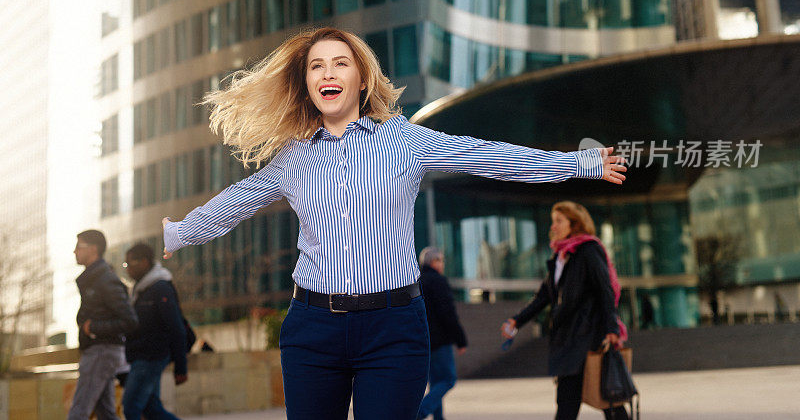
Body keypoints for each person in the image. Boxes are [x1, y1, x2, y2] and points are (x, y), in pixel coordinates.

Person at [160, 27, 627, 420]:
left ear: (362, 80)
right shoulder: (293, 157)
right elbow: (239, 200)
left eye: (341, 63)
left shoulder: (405, 140)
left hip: (393, 328)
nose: (328, 73)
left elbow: (486, 156)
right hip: (312, 330)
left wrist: (576, 164)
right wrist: (181, 232)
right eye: (316, 66)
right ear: (306, 84)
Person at [501, 202, 629, 420]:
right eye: (553, 221)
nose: (553, 226)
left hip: (589, 338)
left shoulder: (589, 249)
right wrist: (517, 320)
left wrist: (611, 328)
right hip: (568, 339)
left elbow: (605, 290)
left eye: (559, 221)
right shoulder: (560, 257)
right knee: (569, 403)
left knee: (609, 397)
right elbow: (543, 296)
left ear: (574, 223)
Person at [69, 230, 138, 420]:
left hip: (101, 351)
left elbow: (130, 320)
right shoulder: (95, 279)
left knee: (79, 411)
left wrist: (93, 328)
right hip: (99, 350)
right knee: (105, 413)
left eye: (78, 247)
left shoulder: (105, 280)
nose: (74, 251)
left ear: (93, 249)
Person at [121, 243, 187, 420]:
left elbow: (176, 326)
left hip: (151, 357)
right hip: (141, 356)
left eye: (129, 264)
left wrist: (181, 367)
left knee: (131, 407)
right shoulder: (141, 289)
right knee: (152, 410)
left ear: (144, 262)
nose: (127, 270)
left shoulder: (160, 288)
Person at [417, 247, 467, 420]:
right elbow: (448, 313)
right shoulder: (438, 281)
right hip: (440, 340)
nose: (442, 264)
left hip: (425, 340)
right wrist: (460, 340)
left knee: (436, 383)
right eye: (441, 260)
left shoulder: (418, 281)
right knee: (448, 379)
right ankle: (418, 413)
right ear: (434, 262)